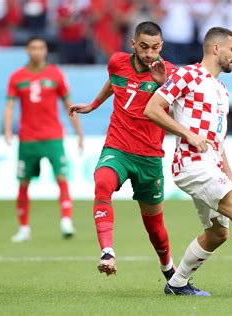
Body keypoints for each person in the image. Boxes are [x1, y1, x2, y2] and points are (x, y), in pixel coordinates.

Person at [144, 26, 232, 296]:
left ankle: (177, 283)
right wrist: (187, 134)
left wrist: (229, 176)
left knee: (218, 234)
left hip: (211, 164)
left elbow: (219, 142)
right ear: (216, 48)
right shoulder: (186, 75)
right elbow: (152, 108)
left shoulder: (222, 90)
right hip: (191, 163)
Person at [69, 22, 177, 280]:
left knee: (154, 226)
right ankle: (107, 252)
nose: (150, 53)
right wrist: (94, 105)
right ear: (133, 44)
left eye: (155, 47)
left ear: (161, 46)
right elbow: (113, 82)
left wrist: (163, 86)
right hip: (117, 147)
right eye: (144, 47)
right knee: (102, 181)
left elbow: (176, 117)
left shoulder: (170, 72)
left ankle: (169, 269)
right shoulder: (117, 62)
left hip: (150, 156)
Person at [4, 36, 84, 243]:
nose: (37, 51)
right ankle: (24, 228)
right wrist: (7, 129)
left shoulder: (56, 74)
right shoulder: (16, 77)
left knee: (61, 178)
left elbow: (69, 105)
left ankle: (66, 221)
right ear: (27, 50)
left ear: (46, 50)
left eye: (41, 47)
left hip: (53, 137)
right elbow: (10, 106)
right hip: (28, 139)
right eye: (33, 48)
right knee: (23, 183)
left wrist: (79, 133)